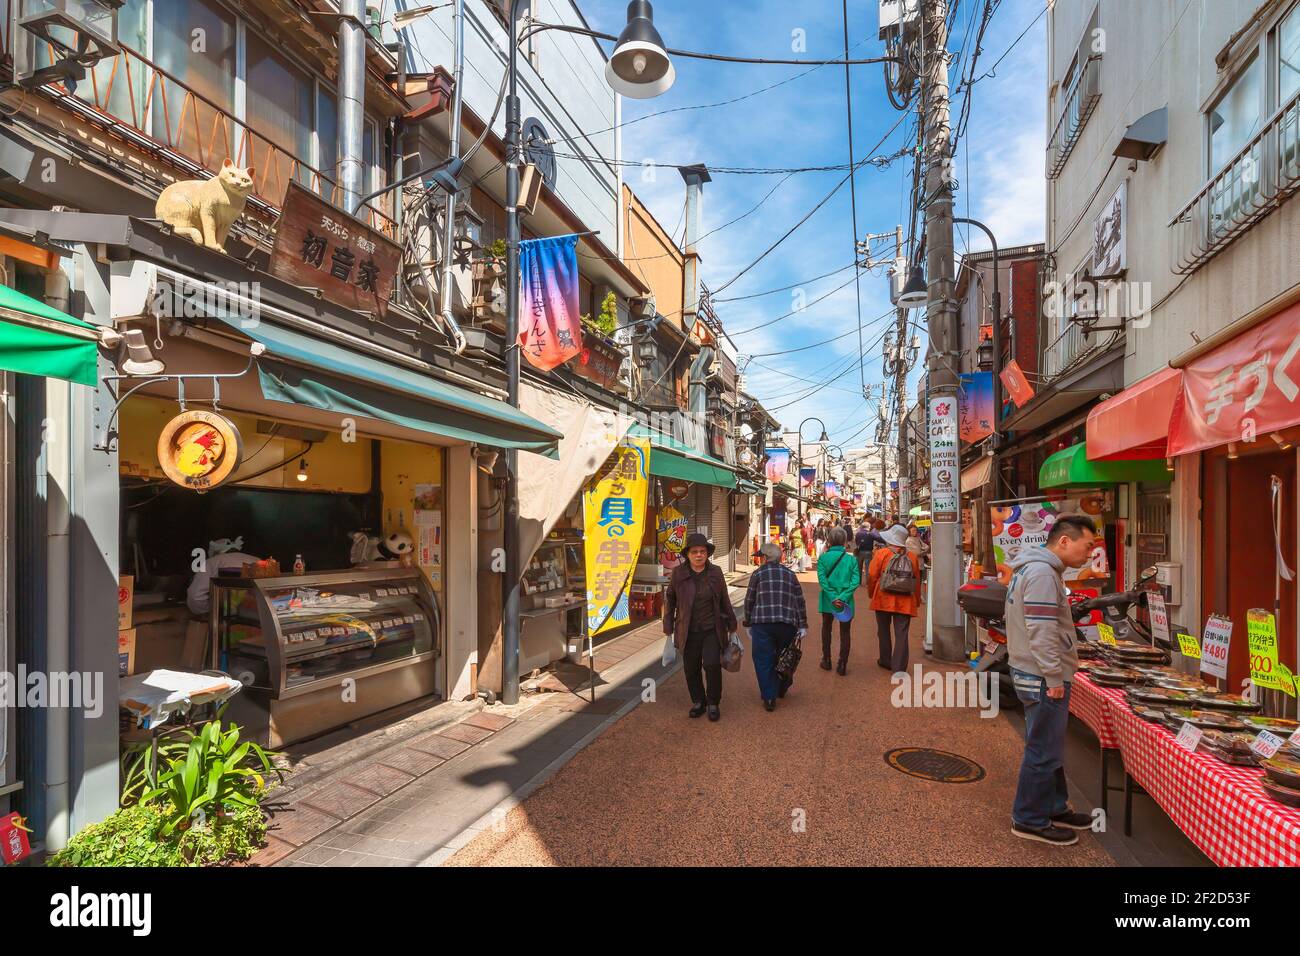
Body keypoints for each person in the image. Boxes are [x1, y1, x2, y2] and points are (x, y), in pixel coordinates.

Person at [1005, 514, 1099, 846]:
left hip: (1033, 669)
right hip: (1041, 673)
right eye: (1087, 546)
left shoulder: (1032, 568)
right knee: (1043, 748)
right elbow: (1041, 630)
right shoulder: (1044, 574)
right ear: (1064, 541)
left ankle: (1054, 806)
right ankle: (1029, 818)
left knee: (1048, 743)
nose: (1089, 554)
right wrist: (1053, 675)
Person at [664, 533, 738, 722]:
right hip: (687, 629)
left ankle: (713, 702)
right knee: (691, 668)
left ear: (707, 554)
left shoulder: (715, 572)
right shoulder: (679, 573)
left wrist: (732, 626)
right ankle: (698, 701)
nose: (699, 555)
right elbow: (670, 600)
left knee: (712, 664)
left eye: (702, 552)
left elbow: (724, 600)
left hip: (711, 628)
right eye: (695, 552)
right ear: (688, 554)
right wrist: (668, 629)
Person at [744, 541, 809, 711]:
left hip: (762, 623)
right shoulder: (790, 574)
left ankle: (769, 697)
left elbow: (749, 600)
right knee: (785, 657)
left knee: (763, 660)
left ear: (765, 558)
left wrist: (747, 622)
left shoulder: (757, 574)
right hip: (787, 623)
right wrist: (803, 624)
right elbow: (799, 601)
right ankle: (781, 687)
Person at [867, 524, 923, 673]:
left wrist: (871, 592)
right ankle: (899, 667)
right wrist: (917, 599)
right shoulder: (911, 556)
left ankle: (885, 660)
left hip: (882, 597)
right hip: (905, 601)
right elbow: (916, 580)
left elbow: (872, 576)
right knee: (902, 634)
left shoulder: (881, 554)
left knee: (883, 630)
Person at [816, 525, 860, 675]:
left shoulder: (823, 558)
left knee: (826, 627)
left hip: (829, 600)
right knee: (845, 631)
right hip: (846, 601)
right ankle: (842, 664)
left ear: (829, 540)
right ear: (844, 541)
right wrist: (842, 597)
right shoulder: (851, 560)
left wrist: (833, 597)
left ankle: (826, 659)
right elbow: (856, 581)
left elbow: (822, 580)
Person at [854, 519, 884, 583]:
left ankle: (858, 581)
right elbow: (878, 539)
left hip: (859, 552)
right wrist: (886, 540)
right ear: (868, 527)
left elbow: (856, 542)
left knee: (859, 567)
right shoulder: (870, 534)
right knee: (868, 568)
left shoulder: (858, 534)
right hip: (868, 552)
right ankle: (868, 582)